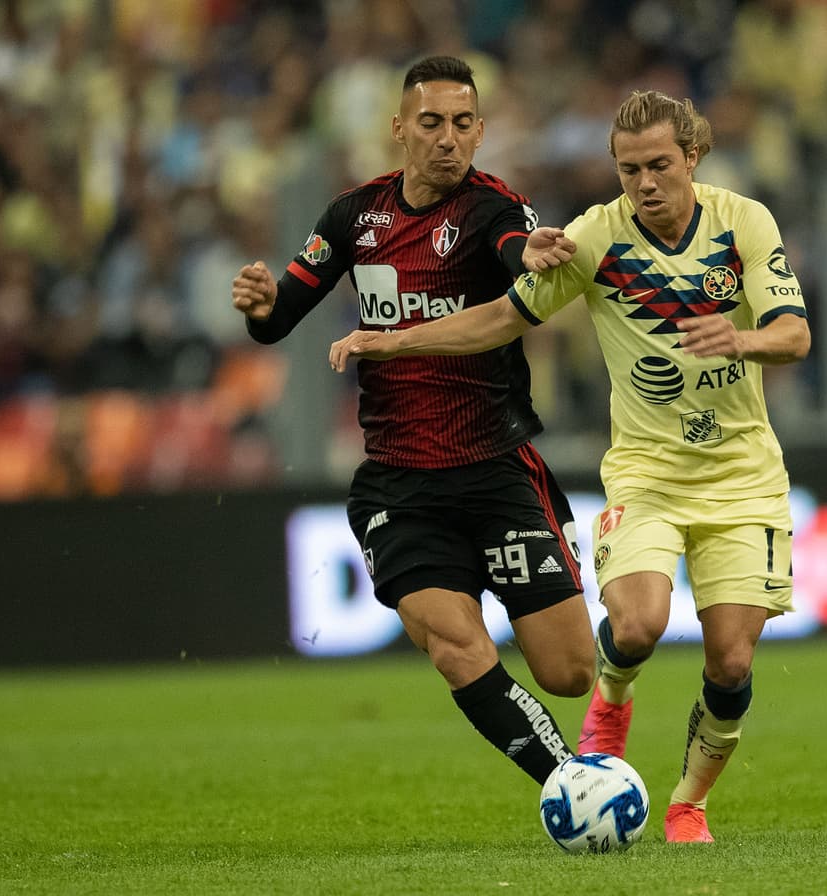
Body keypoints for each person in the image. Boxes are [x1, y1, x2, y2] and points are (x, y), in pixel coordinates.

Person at [330, 90, 811, 843]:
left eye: (659, 165)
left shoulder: (743, 221)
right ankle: (612, 699)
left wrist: (741, 340)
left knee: (731, 658)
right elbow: (502, 317)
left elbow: (793, 335)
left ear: (692, 157)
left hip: (743, 476)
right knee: (639, 624)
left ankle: (687, 804)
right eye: (629, 170)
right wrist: (395, 340)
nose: (645, 183)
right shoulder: (595, 236)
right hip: (647, 472)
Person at [230, 56, 595, 788]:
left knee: (570, 672)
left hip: (495, 470)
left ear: (480, 132)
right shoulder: (353, 216)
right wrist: (263, 305)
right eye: (431, 123)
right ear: (399, 128)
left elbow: (515, 247)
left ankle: (567, 755)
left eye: (462, 124)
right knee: (457, 647)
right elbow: (281, 315)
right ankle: (570, 783)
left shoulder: (494, 209)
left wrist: (530, 252)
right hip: (400, 486)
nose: (446, 138)